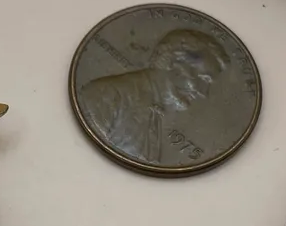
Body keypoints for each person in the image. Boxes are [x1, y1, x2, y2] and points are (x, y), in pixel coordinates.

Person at [79, 29, 229, 162]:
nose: (203, 93)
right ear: (173, 63)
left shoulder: (155, 112)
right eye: (203, 79)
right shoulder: (107, 94)